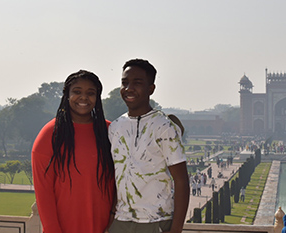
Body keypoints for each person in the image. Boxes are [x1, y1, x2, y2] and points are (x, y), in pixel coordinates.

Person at [108, 58, 189, 233]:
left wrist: (175, 230)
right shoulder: (115, 127)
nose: (129, 88)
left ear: (150, 89)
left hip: (155, 221)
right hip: (120, 221)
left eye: (137, 83)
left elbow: (181, 180)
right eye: (125, 83)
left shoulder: (164, 127)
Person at [32, 70, 115, 233]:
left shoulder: (111, 132)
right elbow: (44, 192)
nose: (84, 98)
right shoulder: (50, 134)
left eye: (90, 93)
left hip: (107, 227)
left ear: (97, 97)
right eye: (77, 92)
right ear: (67, 95)